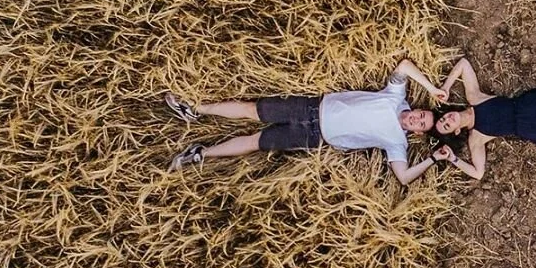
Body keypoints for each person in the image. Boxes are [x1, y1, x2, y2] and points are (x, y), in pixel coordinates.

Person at [165, 58, 448, 186]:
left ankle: (201, 153)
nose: (417, 119)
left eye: (420, 124)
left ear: (416, 133)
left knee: (255, 142)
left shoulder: (396, 143)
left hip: (315, 138)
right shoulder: (395, 97)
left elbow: (404, 177)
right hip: (311, 107)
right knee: (252, 110)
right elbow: (404, 66)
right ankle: (195, 109)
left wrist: (433, 159)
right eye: (421, 115)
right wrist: (433, 87)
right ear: (418, 109)